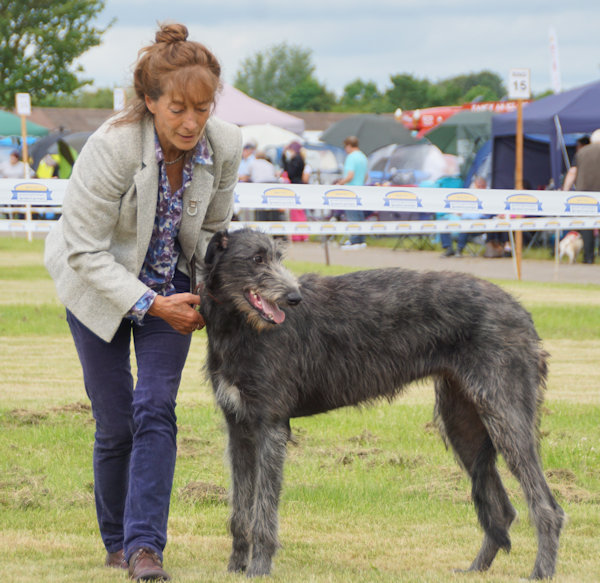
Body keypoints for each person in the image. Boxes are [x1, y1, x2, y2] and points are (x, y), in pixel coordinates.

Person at [44, 22, 242, 581]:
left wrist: (204, 293)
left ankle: (143, 550)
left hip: (172, 286)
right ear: (150, 101)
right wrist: (151, 305)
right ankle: (114, 541)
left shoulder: (224, 144)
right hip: (99, 288)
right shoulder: (111, 148)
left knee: (155, 409)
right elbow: (83, 250)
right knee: (116, 423)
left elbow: (214, 229)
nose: (191, 122)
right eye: (178, 107)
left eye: (202, 109)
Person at [569, 129, 600, 263]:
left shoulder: (581, 152)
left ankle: (588, 258)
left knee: (587, 226)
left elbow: (572, 172)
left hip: (584, 194)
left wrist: (565, 190)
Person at [336, 136, 368, 249]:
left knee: (352, 216)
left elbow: (350, 175)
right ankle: (361, 240)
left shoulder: (351, 157)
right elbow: (366, 176)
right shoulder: (363, 157)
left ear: (349, 146)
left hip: (350, 190)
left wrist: (341, 182)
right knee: (360, 216)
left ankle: (354, 240)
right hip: (361, 188)